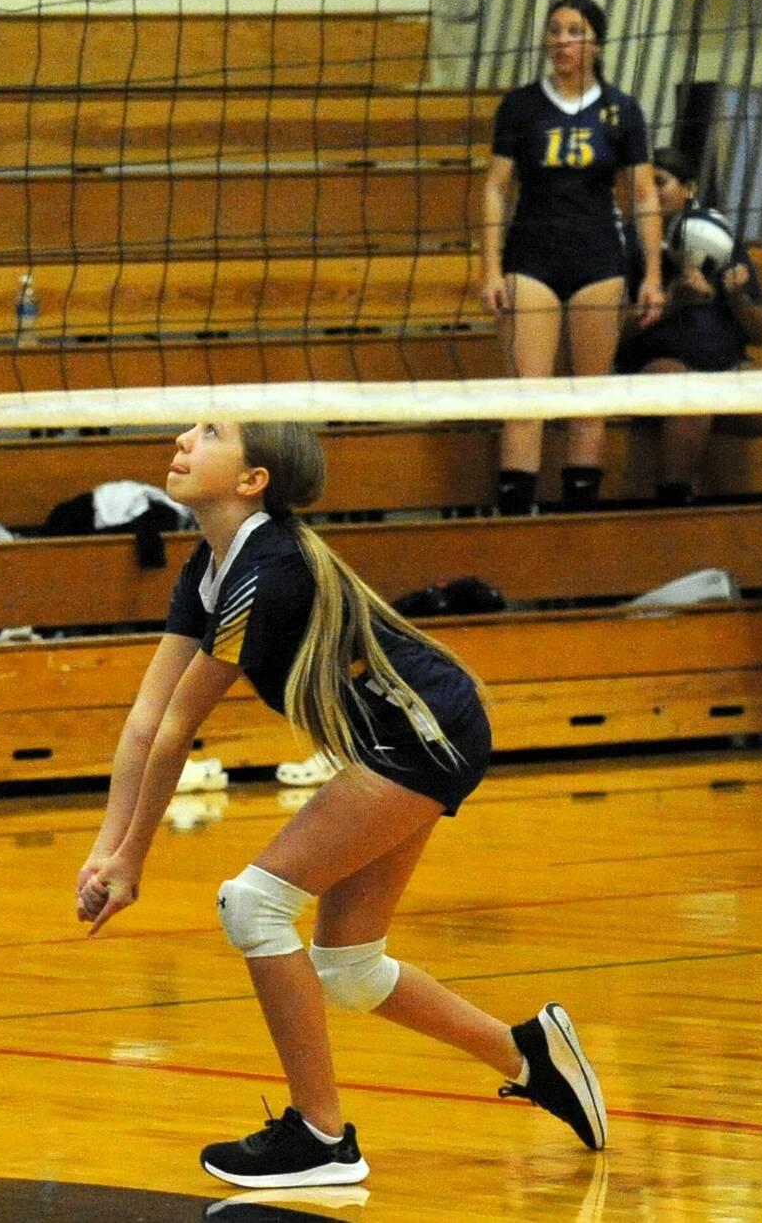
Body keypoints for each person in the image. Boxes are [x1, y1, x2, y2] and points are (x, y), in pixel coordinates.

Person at [79, 420, 604, 1187]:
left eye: (211, 433)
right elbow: (145, 719)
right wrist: (107, 845)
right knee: (350, 966)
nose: (185, 437)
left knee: (253, 906)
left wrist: (132, 859)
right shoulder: (212, 565)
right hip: (406, 735)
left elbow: (176, 732)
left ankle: (322, 1137)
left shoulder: (267, 569)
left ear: (253, 479)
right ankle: (531, 1056)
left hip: (424, 733)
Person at [479, 0, 663, 514]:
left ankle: (579, 519)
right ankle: (516, 519)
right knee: (527, 396)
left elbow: (643, 194)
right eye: (555, 30)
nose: (561, 40)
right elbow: (496, 187)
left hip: (598, 261)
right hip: (531, 259)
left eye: (574, 31)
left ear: (596, 44)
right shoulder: (521, 106)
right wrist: (490, 268)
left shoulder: (622, 110)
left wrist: (651, 274)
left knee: (590, 397)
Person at [616, 145, 762, 504]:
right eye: (643, 185)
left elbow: (760, 332)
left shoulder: (718, 237)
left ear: (689, 189)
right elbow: (611, 334)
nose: (650, 193)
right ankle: (675, 505)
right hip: (654, 367)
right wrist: (671, 302)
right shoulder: (627, 241)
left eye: (660, 182)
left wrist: (735, 297)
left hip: (727, 366)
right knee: (691, 392)